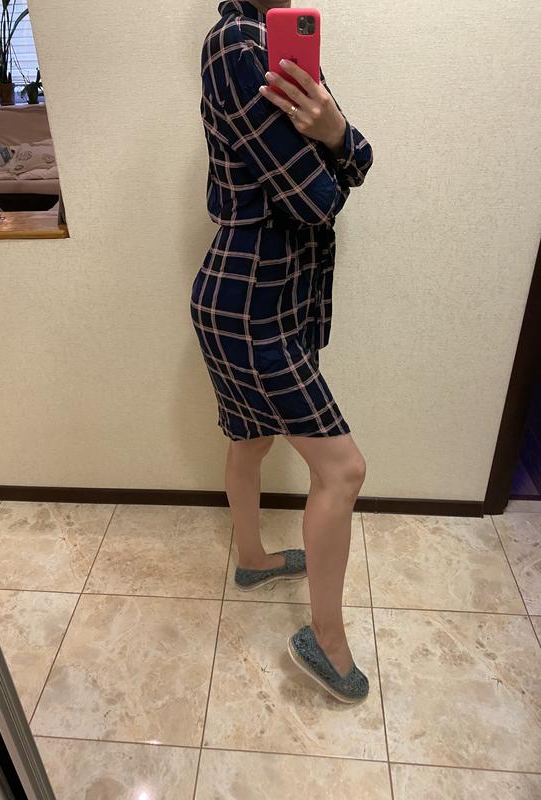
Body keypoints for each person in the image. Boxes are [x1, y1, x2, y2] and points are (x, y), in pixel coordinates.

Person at [190, 0, 374, 703]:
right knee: (343, 470)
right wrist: (337, 143)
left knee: (251, 438)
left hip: (264, 297)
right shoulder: (238, 45)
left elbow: (357, 158)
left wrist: (336, 132)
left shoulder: (280, 42)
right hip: (252, 305)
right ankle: (325, 639)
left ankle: (252, 559)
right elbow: (317, 198)